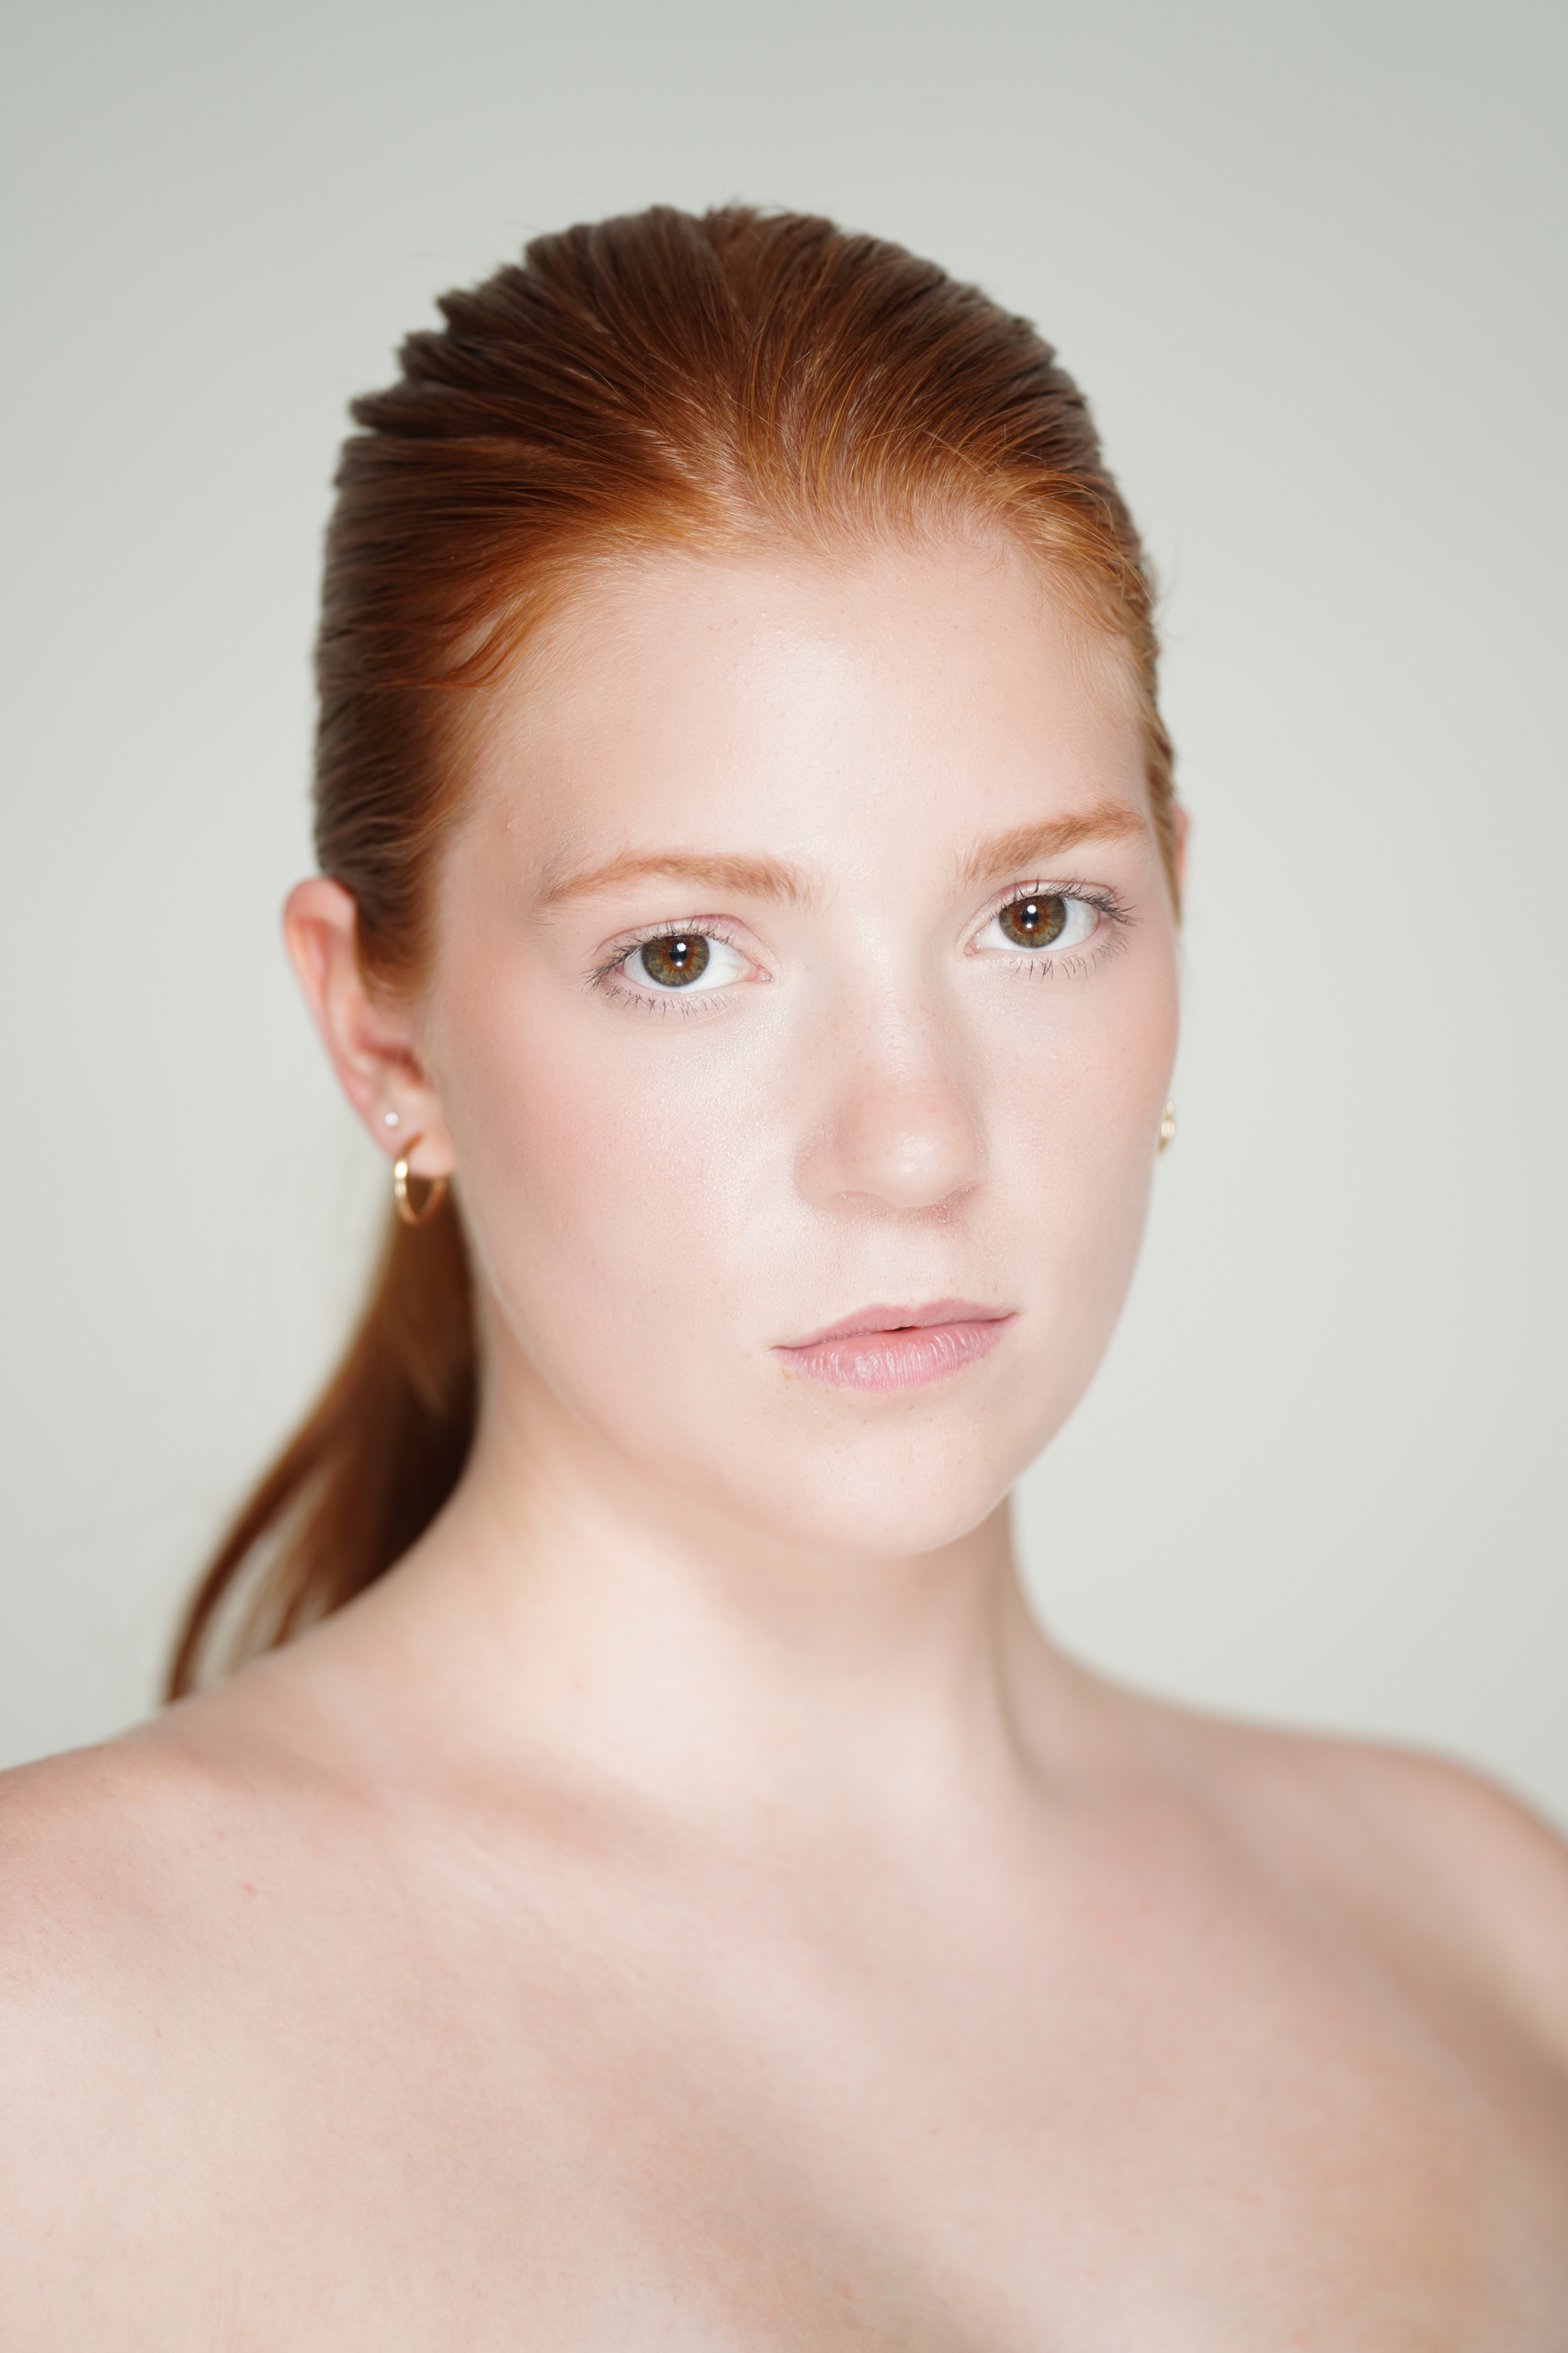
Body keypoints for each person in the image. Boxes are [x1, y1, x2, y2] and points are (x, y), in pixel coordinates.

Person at [3, 204, 1566, 2346]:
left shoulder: (1489, 1932)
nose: (911, 1140)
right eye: (681, 954)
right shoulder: (52, 2035)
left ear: (1178, 907)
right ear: (382, 1035)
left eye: (1035, 919)